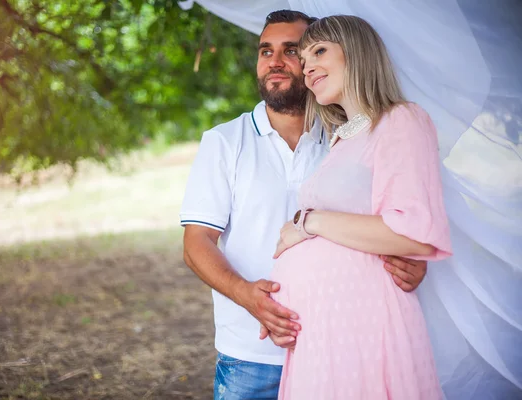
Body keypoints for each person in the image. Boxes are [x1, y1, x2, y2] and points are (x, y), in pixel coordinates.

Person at [180, 10, 429, 399]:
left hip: (339, 346)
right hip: (252, 354)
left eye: (293, 50)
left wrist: (411, 263)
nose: (275, 61)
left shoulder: (346, 135)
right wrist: (249, 297)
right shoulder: (225, 141)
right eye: (265, 51)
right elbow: (196, 244)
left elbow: (396, 219)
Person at [267, 15, 452, 399]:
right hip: (325, 327)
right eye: (305, 59)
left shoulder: (401, 119)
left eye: (319, 51)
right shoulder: (344, 138)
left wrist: (309, 222)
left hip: (363, 324)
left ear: (358, 52)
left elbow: (411, 234)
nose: (308, 66)